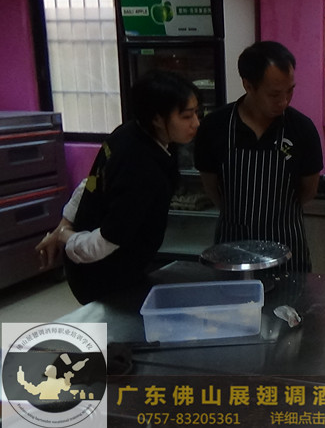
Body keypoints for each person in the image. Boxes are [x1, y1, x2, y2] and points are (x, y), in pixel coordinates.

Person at [35, 71, 201, 304]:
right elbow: (102, 244)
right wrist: (64, 235)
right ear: (156, 118)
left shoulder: (129, 131)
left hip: (109, 261)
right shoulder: (141, 171)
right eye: (186, 116)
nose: (196, 123)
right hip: (103, 276)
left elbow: (91, 182)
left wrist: (63, 225)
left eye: (196, 113)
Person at [193, 41, 323, 272]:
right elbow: (211, 187)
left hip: (287, 253)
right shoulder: (215, 127)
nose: (284, 101)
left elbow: (309, 190)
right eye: (274, 94)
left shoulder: (302, 129)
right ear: (248, 85)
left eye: (290, 90)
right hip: (232, 250)